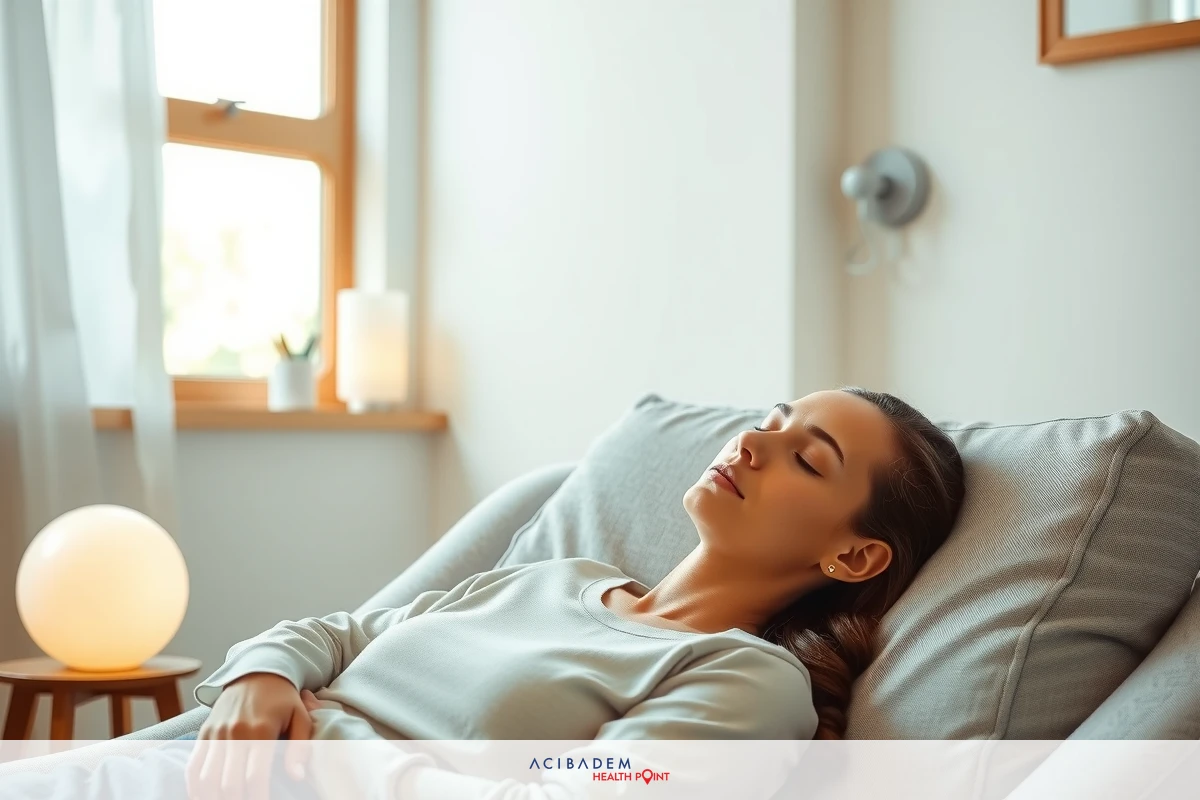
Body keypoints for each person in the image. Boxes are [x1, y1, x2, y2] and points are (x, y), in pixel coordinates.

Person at [184, 387, 965, 798]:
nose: (754, 443)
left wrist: (320, 742)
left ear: (855, 556)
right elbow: (343, 633)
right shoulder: (563, 580)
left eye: (808, 459)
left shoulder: (747, 687)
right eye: (771, 419)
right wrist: (263, 676)